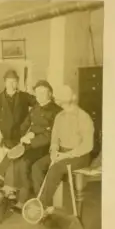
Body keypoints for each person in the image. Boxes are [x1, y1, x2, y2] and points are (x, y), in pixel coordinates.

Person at [31, 85, 95, 217]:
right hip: (61, 153)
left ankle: (40, 207)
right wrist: (54, 150)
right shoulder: (59, 116)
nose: (62, 103)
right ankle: (45, 205)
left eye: (64, 101)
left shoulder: (83, 117)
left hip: (79, 156)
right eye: (60, 101)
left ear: (72, 99)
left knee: (55, 168)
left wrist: (66, 155)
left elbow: (88, 146)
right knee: (37, 166)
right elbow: (54, 139)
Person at [13, 80, 63, 207]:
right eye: (37, 93)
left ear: (50, 94)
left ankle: (40, 202)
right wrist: (23, 136)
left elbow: (51, 134)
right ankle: (23, 197)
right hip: (33, 146)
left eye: (43, 92)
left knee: (33, 166)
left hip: (48, 147)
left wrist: (31, 139)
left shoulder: (57, 111)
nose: (39, 95)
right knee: (19, 161)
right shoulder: (35, 108)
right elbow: (24, 125)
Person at [0, 69, 35, 148]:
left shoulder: (24, 96)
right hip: (4, 137)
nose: (11, 84)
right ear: (5, 82)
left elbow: (39, 103)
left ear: (17, 83)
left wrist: (31, 116)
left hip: (21, 135)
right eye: (9, 82)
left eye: (14, 82)